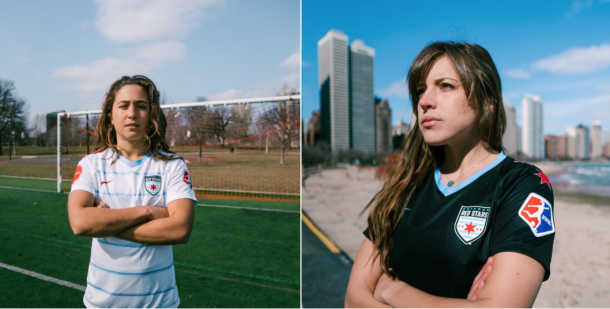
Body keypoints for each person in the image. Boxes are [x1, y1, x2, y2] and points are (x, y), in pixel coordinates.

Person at [345, 42, 555, 307]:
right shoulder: (406, 183)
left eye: (445, 86)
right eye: (420, 90)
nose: (424, 101)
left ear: (488, 102)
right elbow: (354, 299)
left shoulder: (522, 185)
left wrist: (393, 291)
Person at [67, 75, 197, 308]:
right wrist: (147, 212)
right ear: (111, 115)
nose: (132, 113)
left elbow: (180, 229)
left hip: (160, 304)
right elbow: (80, 223)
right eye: (124, 105)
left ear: (152, 114)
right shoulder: (91, 164)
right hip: (101, 303)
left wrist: (106, 222)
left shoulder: (173, 165)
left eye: (141, 106)